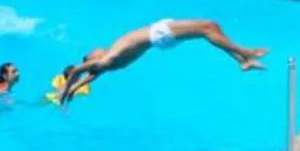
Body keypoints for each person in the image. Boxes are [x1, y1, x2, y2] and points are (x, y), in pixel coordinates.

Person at [55, 20, 266, 104]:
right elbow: (77, 71)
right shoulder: (105, 60)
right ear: (93, 59)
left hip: (159, 34)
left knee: (211, 27)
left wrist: (74, 89)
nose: (95, 49)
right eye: (91, 53)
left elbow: (89, 78)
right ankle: (246, 54)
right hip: (158, 35)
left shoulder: (105, 65)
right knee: (208, 28)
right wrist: (66, 89)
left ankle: (241, 59)